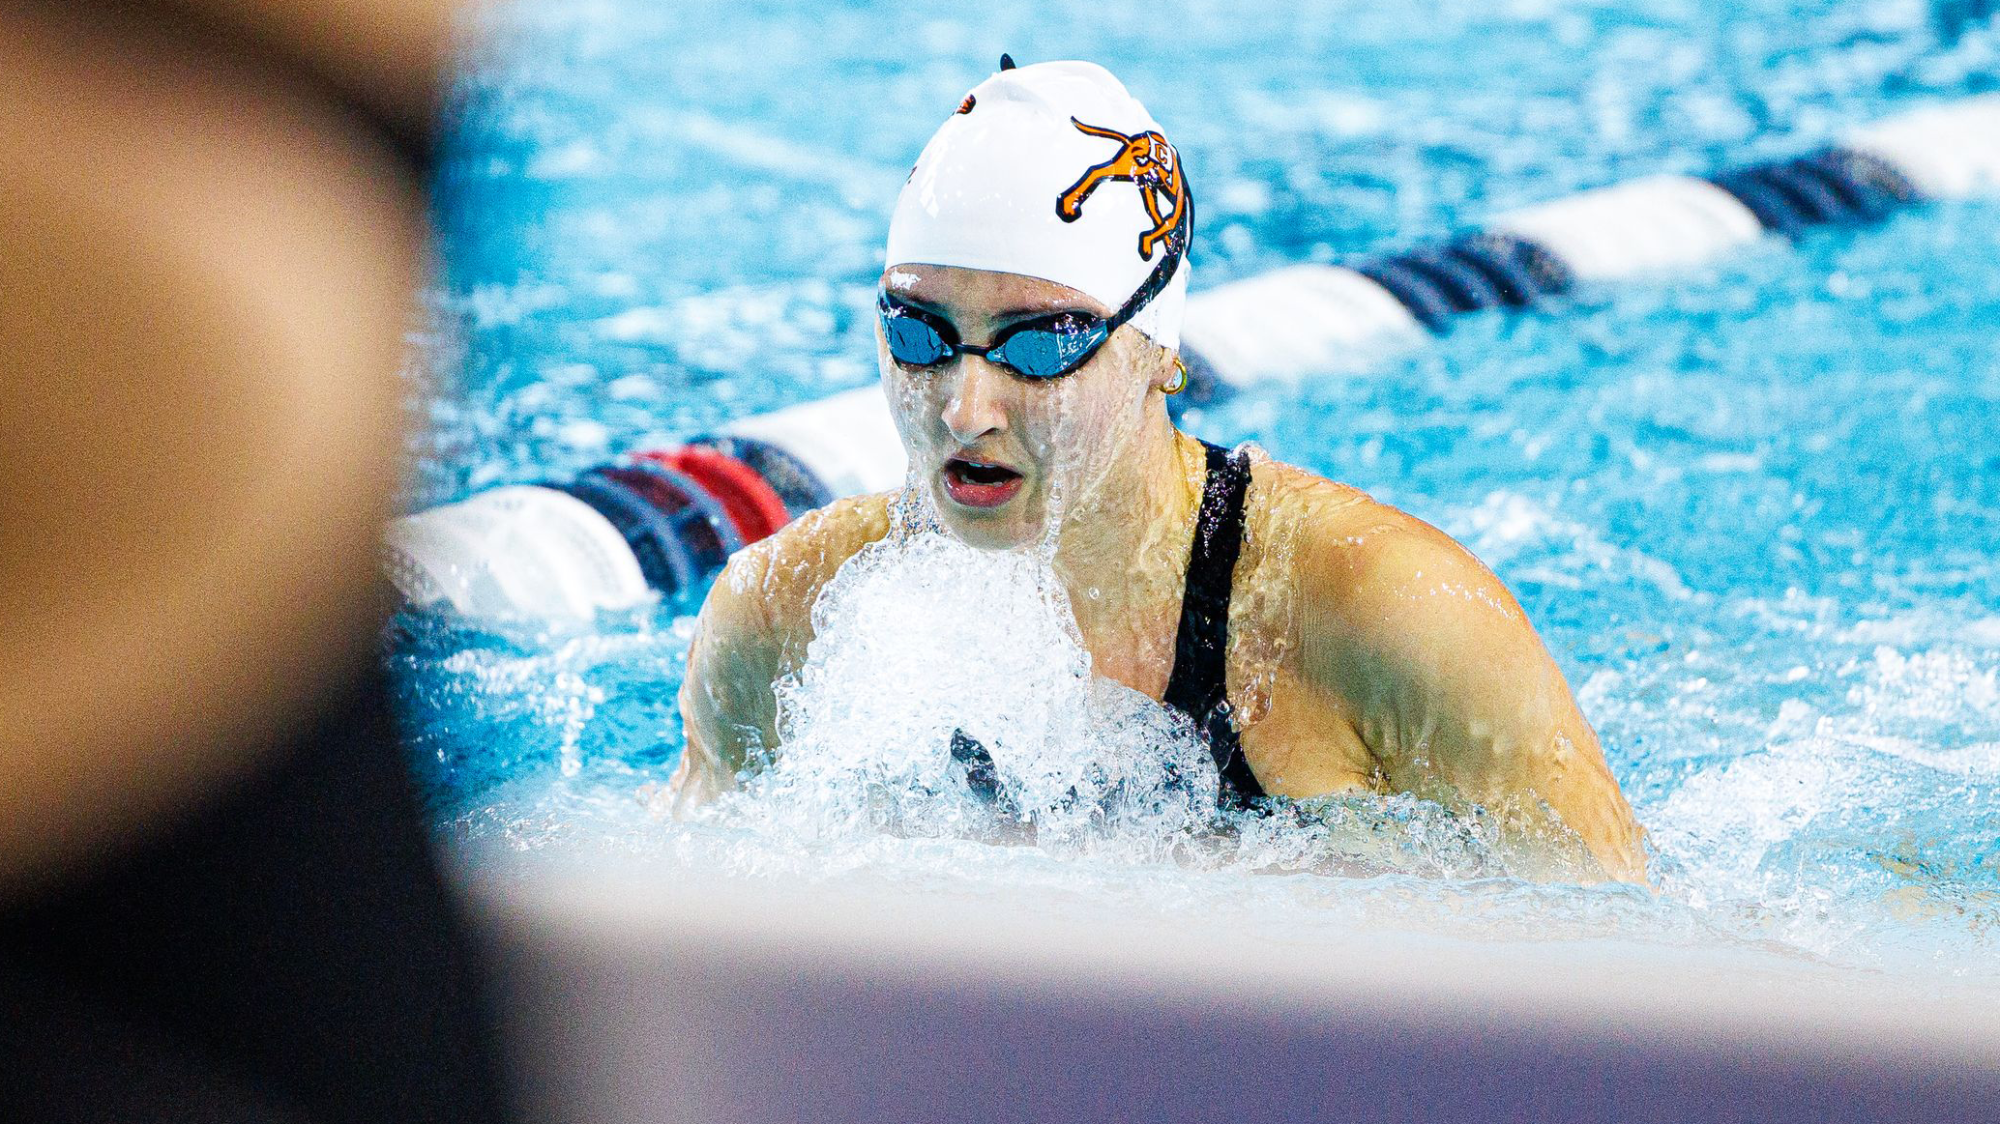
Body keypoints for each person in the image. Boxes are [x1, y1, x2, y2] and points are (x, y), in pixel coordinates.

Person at [671, 58, 1647, 883]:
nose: (963, 405)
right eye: (915, 330)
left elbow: (1635, 963)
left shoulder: (1383, 614)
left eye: (1040, 342)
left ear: (1158, 352)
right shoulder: (787, 615)